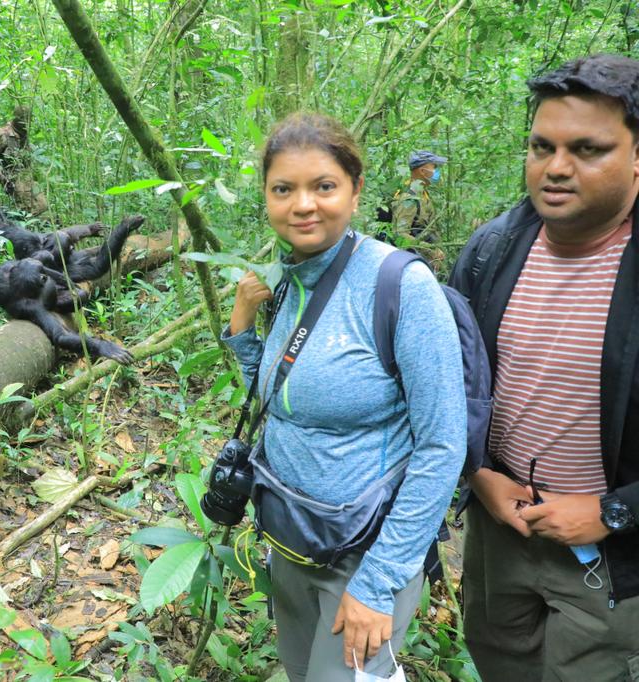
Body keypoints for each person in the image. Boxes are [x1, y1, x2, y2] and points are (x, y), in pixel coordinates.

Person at [223, 112, 465, 681]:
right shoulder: (289, 279)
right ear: (266, 197)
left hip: (363, 554)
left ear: (355, 193)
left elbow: (441, 445)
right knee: (300, 670)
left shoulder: (400, 286)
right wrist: (242, 327)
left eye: (323, 186)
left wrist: (378, 583)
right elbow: (278, 400)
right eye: (284, 189)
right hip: (291, 535)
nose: (303, 204)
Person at [448, 53, 639, 681]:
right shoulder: (492, 250)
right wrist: (478, 473)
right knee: (499, 661)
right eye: (542, 145)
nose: (556, 167)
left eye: (587, 149)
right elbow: (450, 384)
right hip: (501, 528)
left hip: (611, 554)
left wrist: (614, 511)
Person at [391, 150, 447, 270]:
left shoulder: (422, 193)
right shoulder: (409, 199)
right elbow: (400, 234)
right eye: (434, 167)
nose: (437, 172)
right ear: (422, 171)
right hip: (410, 263)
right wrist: (429, 250)